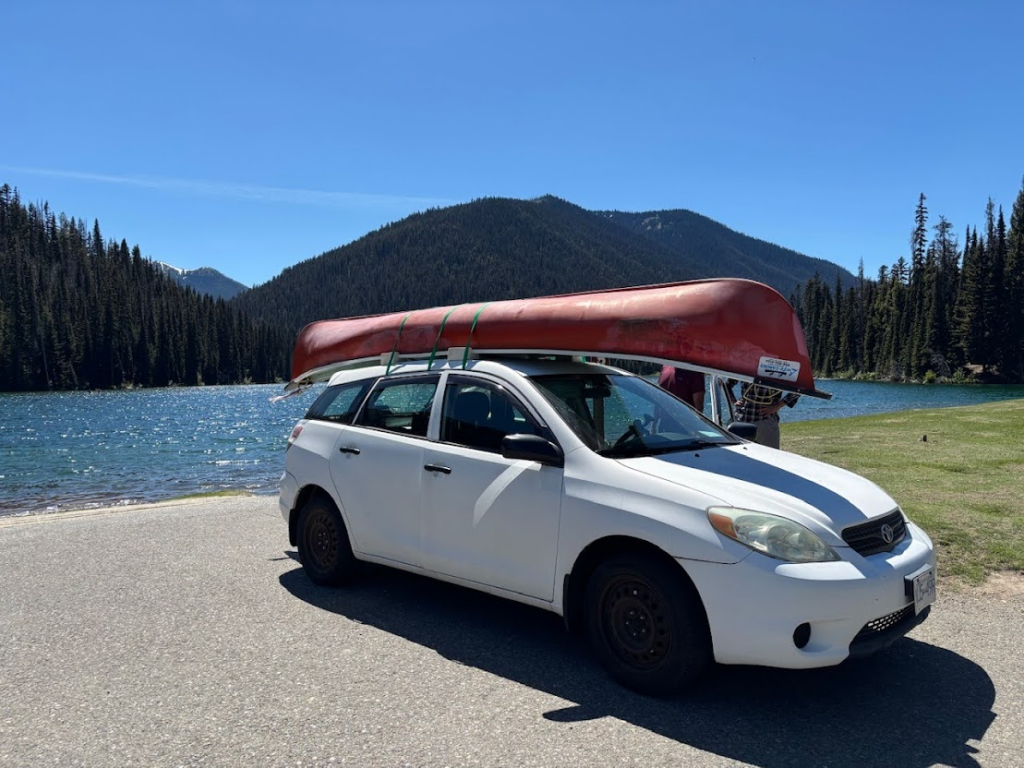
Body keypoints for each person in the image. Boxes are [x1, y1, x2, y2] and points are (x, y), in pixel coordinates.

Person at [734, 383, 800, 449]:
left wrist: (777, 406)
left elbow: (799, 388)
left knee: (770, 456)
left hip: (766, 422)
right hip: (740, 420)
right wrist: (733, 400)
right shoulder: (747, 371)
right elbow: (726, 383)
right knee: (738, 456)